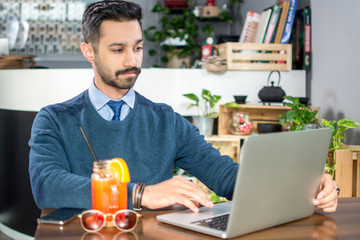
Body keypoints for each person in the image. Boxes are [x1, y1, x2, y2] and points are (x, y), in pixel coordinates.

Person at [29, 0, 338, 214]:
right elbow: (47, 186)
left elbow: (226, 176)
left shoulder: (165, 120)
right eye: (117, 49)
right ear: (89, 51)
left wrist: (303, 186)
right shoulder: (55, 120)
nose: (131, 61)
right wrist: (142, 194)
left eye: (137, 48)